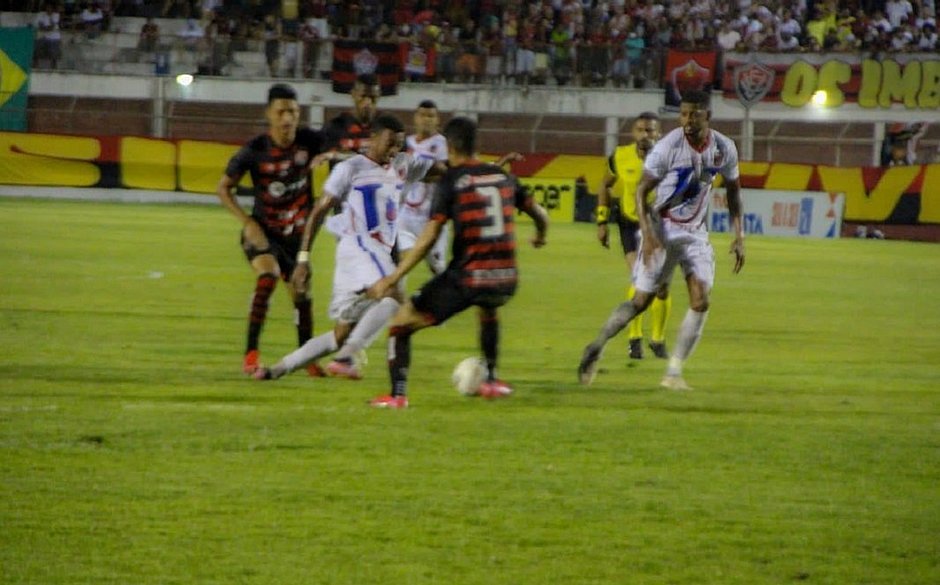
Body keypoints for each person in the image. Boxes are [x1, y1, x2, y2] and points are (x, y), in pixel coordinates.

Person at [365, 117, 550, 409]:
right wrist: (540, 235)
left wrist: (392, 277)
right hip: (506, 279)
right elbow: (541, 215)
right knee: (488, 308)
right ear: (478, 145)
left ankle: (397, 395)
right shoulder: (503, 176)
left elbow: (428, 236)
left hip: (468, 277)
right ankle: (491, 379)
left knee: (401, 323)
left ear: (448, 146)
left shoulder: (452, 180)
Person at [578, 90, 745, 391]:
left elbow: (733, 191)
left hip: (695, 235)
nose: (687, 120)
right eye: (683, 114)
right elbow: (642, 192)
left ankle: (674, 372)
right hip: (662, 228)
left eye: (694, 114)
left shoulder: (724, 148)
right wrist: (649, 234)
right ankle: (596, 346)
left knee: (701, 300)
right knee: (641, 301)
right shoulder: (668, 147)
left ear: (708, 115)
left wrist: (739, 234)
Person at [251, 115, 439, 381]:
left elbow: (444, 171)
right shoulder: (351, 168)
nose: (394, 150)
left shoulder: (403, 165)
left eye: (399, 145)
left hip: (369, 257)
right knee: (395, 296)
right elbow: (319, 211)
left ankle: (277, 369)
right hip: (360, 245)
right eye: (389, 143)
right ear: (372, 138)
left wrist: (481, 170)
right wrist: (303, 259)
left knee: (340, 334)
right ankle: (348, 357)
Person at [215, 83, 327, 377]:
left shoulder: (310, 142)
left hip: (296, 238)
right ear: (269, 114)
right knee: (268, 277)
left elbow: (341, 148)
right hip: (263, 233)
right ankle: (251, 355)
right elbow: (223, 188)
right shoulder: (254, 151)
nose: (287, 118)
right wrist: (247, 222)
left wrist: (331, 156)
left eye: (292, 111)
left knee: (301, 295)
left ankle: (307, 358)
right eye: (281, 112)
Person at [595, 112, 671, 361]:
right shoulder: (620, 156)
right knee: (640, 278)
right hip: (629, 223)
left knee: (661, 287)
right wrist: (602, 220)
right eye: (640, 130)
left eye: (650, 130)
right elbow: (605, 185)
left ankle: (658, 340)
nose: (645, 135)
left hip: (659, 226)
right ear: (633, 133)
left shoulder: (670, 158)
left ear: (659, 134)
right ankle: (634, 339)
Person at [398, 100, 450, 276]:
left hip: (433, 218)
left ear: (437, 120)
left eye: (431, 116)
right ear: (415, 118)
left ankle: (441, 301)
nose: (426, 120)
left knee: (438, 270)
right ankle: (396, 302)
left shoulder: (443, 144)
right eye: (422, 115)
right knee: (401, 263)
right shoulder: (406, 143)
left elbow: (446, 173)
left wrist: (416, 172)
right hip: (406, 215)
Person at [323, 74, 381, 165]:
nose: (367, 103)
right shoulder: (335, 127)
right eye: (363, 96)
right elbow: (324, 160)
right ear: (353, 94)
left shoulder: (387, 127)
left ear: (379, 96)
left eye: (372, 98)